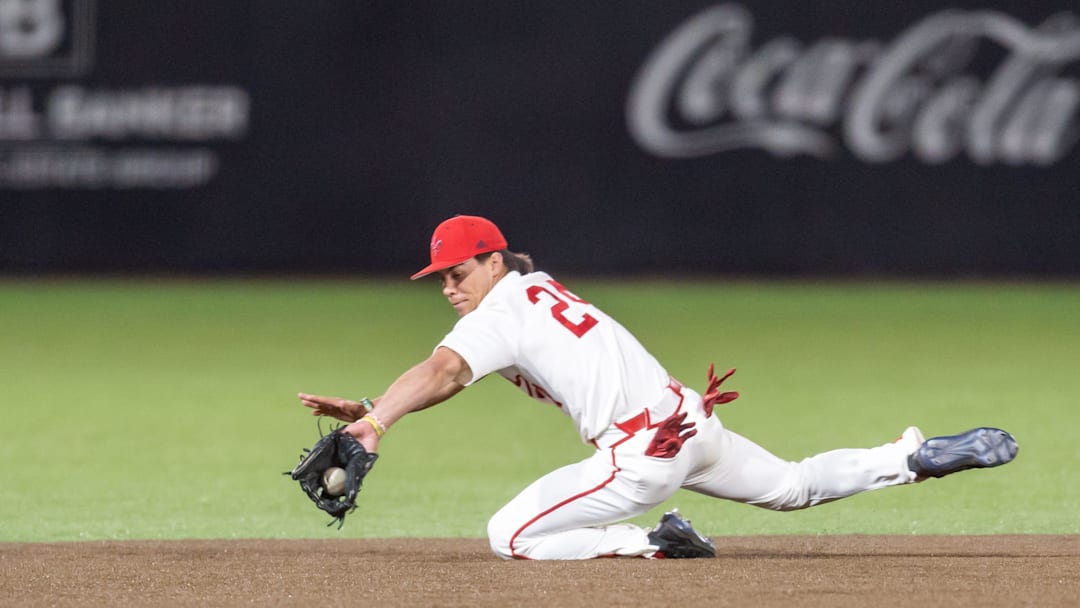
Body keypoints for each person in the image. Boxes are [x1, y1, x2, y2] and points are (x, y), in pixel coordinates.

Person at [298, 214, 1019, 560]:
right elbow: (453, 377)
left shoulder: (502, 309)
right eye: (440, 279)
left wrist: (374, 426)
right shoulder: (534, 287)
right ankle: (908, 460)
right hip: (689, 422)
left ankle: (652, 540)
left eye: (457, 273)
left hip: (642, 455)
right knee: (795, 487)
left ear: (490, 262)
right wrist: (372, 407)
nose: (449, 288)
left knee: (508, 537)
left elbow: (444, 369)